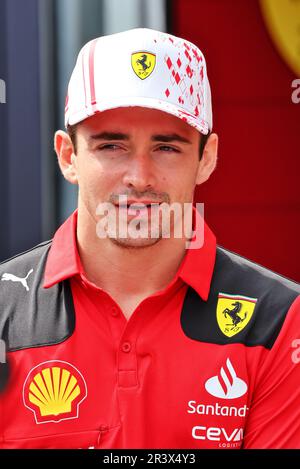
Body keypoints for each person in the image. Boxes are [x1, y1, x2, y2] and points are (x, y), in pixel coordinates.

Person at [0, 28, 299, 450]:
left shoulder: (282, 321)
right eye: (112, 146)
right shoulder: (3, 310)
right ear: (69, 156)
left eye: (166, 148)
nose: (139, 177)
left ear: (206, 159)